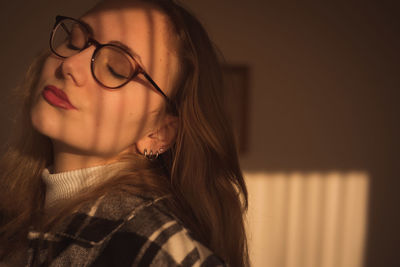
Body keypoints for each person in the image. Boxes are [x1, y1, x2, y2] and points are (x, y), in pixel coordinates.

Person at [0, 0, 249, 266]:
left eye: (115, 68)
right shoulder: (17, 217)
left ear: (159, 133)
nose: (71, 64)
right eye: (74, 41)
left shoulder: (153, 248)